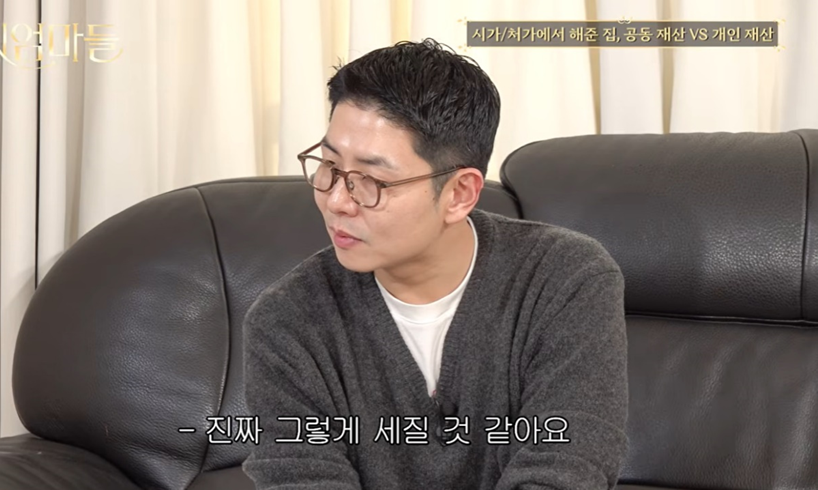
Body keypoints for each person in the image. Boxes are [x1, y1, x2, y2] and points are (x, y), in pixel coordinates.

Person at [241, 38, 628, 489]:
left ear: (459, 193)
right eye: (328, 165)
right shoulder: (286, 321)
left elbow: (567, 467)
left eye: (371, 180)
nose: (337, 201)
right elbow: (301, 477)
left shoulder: (565, 279)